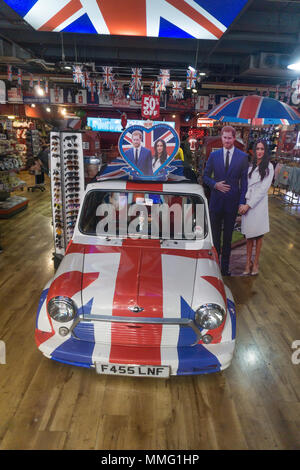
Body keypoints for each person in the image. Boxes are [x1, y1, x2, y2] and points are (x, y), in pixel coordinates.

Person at [203, 125, 248, 276]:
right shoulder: (214, 156)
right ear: (221, 137)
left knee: (227, 238)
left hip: (232, 203)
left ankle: (225, 269)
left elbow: (244, 183)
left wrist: (242, 202)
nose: (227, 140)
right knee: (215, 237)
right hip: (216, 202)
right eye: (224, 137)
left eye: (230, 138)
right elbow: (205, 177)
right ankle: (215, 268)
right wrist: (215, 184)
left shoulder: (242, 157)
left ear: (234, 139)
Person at [240, 139, 274, 276]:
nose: (259, 151)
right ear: (254, 151)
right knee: (249, 235)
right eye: (257, 149)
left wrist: (248, 205)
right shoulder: (250, 165)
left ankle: (256, 262)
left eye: (262, 149)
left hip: (258, 205)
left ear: (265, 151)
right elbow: (245, 185)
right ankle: (247, 263)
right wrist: (243, 203)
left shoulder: (269, 167)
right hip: (248, 201)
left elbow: (262, 190)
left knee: (258, 235)